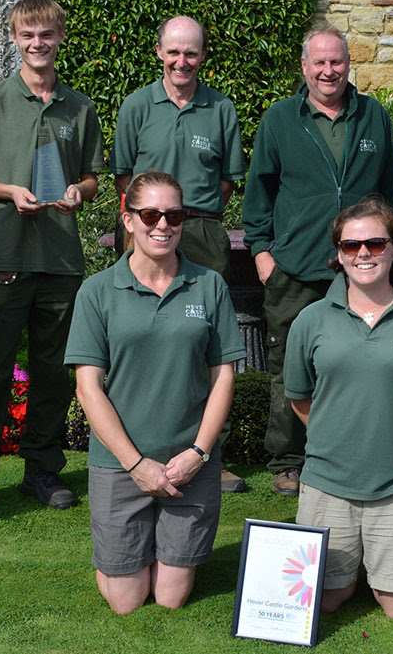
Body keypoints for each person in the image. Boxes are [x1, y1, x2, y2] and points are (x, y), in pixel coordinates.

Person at [0, 0, 104, 522]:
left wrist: (79, 190)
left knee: (55, 373)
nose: (38, 44)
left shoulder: (80, 107)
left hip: (60, 260)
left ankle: (42, 471)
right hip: (6, 256)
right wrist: (9, 191)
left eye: (47, 35)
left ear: (59, 40)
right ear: (14, 39)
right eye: (28, 35)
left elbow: (94, 179)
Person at [65, 172, 245, 614]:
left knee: (169, 599)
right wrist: (136, 464)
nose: (162, 225)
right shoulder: (97, 292)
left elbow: (223, 376)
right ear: (128, 219)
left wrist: (199, 454)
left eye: (174, 215)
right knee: (125, 602)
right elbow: (89, 389)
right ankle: (124, 555)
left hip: (190, 465)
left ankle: (152, 552)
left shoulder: (209, 285)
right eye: (150, 214)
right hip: (121, 465)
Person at [242, 25, 393, 497]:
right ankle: (288, 460)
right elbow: (260, 193)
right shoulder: (279, 119)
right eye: (319, 62)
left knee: (365, 363)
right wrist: (263, 253)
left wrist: (392, 252)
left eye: (336, 62)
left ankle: (362, 450)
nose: (328, 71)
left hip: (363, 266)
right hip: (294, 267)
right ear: (304, 67)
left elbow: (391, 192)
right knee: (289, 364)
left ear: (348, 64)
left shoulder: (372, 116)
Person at [285, 196, 393, 619]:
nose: (363, 253)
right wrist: (336, 436)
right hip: (329, 480)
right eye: (351, 246)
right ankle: (363, 565)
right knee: (323, 600)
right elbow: (300, 398)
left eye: (376, 244)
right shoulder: (310, 320)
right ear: (339, 254)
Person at [111, 15, 248, 493]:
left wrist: (192, 220)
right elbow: (123, 178)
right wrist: (150, 220)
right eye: (174, 52)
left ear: (202, 56)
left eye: (191, 52)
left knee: (208, 343)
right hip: (146, 231)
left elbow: (228, 179)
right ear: (159, 53)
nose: (181, 61)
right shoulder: (136, 107)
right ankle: (136, 448)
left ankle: (212, 452)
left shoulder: (221, 108)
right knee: (142, 338)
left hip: (203, 231)